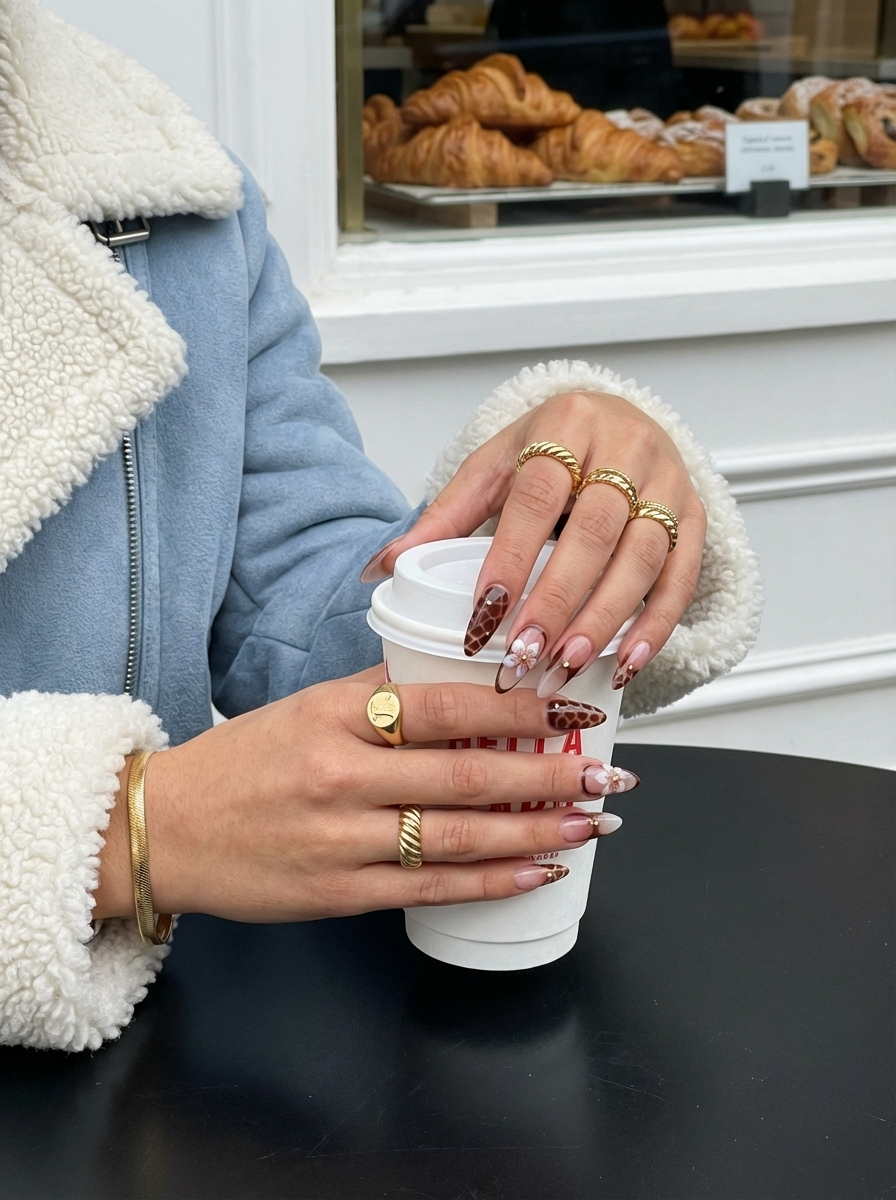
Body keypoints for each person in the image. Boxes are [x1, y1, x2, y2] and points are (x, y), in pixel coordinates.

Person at [0, 0, 761, 1052]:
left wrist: (540, 535)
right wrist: (116, 832)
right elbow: (162, 821)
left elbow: (308, 613)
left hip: (164, 1069)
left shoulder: (160, 180)